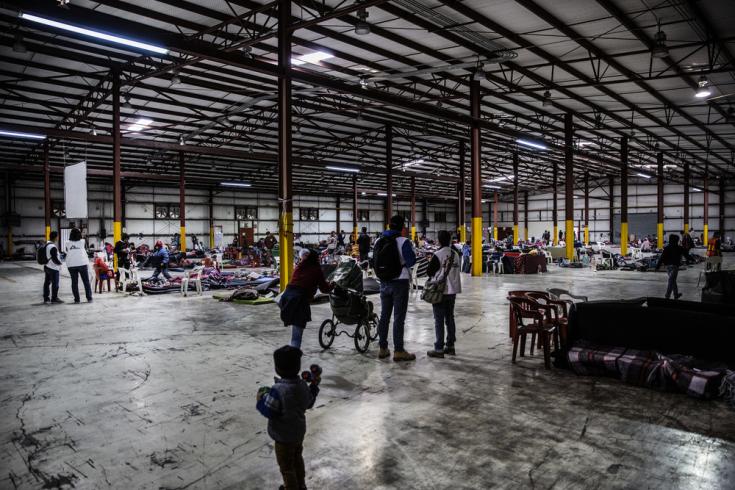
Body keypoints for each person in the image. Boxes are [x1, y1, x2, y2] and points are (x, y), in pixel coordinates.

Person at [256, 346, 320, 490]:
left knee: (286, 468)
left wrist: (261, 397)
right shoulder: (302, 385)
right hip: (298, 434)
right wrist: (314, 386)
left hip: (283, 438)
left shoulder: (278, 390)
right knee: (297, 459)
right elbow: (309, 402)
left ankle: (291, 487)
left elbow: (269, 411)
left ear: (277, 368)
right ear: (297, 367)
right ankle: (301, 485)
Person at [373, 215, 416, 362]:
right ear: (402, 227)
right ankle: (398, 350)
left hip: (383, 282)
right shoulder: (403, 241)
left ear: (389, 225)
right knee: (399, 317)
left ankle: (383, 348)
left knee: (384, 316)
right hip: (400, 281)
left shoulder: (379, 240)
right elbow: (411, 261)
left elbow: (374, 261)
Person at [278, 249, 333, 348]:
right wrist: (332, 285)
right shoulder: (316, 269)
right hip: (300, 301)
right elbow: (325, 289)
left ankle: (291, 354)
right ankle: (293, 359)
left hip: (287, 298)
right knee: (296, 336)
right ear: (315, 258)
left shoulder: (299, 266)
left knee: (295, 332)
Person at [426, 230, 462, 358]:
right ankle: (450, 346)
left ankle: (439, 348)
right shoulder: (456, 254)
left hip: (440, 291)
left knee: (439, 320)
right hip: (453, 291)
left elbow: (429, 271)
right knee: (450, 318)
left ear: (439, 240)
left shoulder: (438, 254)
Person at [65, 228, 92, 303]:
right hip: (82, 263)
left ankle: (77, 299)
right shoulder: (82, 241)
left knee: (74, 282)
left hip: (71, 264)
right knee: (86, 281)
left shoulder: (67, 242)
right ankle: (89, 298)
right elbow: (86, 249)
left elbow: (67, 251)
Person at [655, 234, 683, 300]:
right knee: (671, 281)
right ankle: (667, 296)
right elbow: (682, 256)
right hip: (675, 267)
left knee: (672, 281)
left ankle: (676, 294)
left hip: (668, 267)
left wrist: (657, 266)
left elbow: (662, 257)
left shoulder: (667, 248)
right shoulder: (679, 248)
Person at [42, 231, 63, 304]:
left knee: (47, 283)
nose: (58, 237)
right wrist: (60, 263)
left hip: (47, 266)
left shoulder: (47, 244)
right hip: (53, 268)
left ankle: (46, 298)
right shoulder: (52, 246)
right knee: (55, 284)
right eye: (58, 236)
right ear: (56, 237)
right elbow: (54, 258)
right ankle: (54, 298)